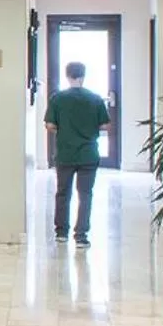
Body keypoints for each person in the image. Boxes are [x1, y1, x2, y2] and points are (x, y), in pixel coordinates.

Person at [45, 61, 111, 247]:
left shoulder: (57, 99)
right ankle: (81, 236)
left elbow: (50, 125)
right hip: (88, 154)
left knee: (63, 193)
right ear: (83, 76)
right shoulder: (95, 99)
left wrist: (65, 130)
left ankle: (61, 233)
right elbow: (105, 125)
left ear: (67, 76)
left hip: (66, 153)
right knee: (85, 194)